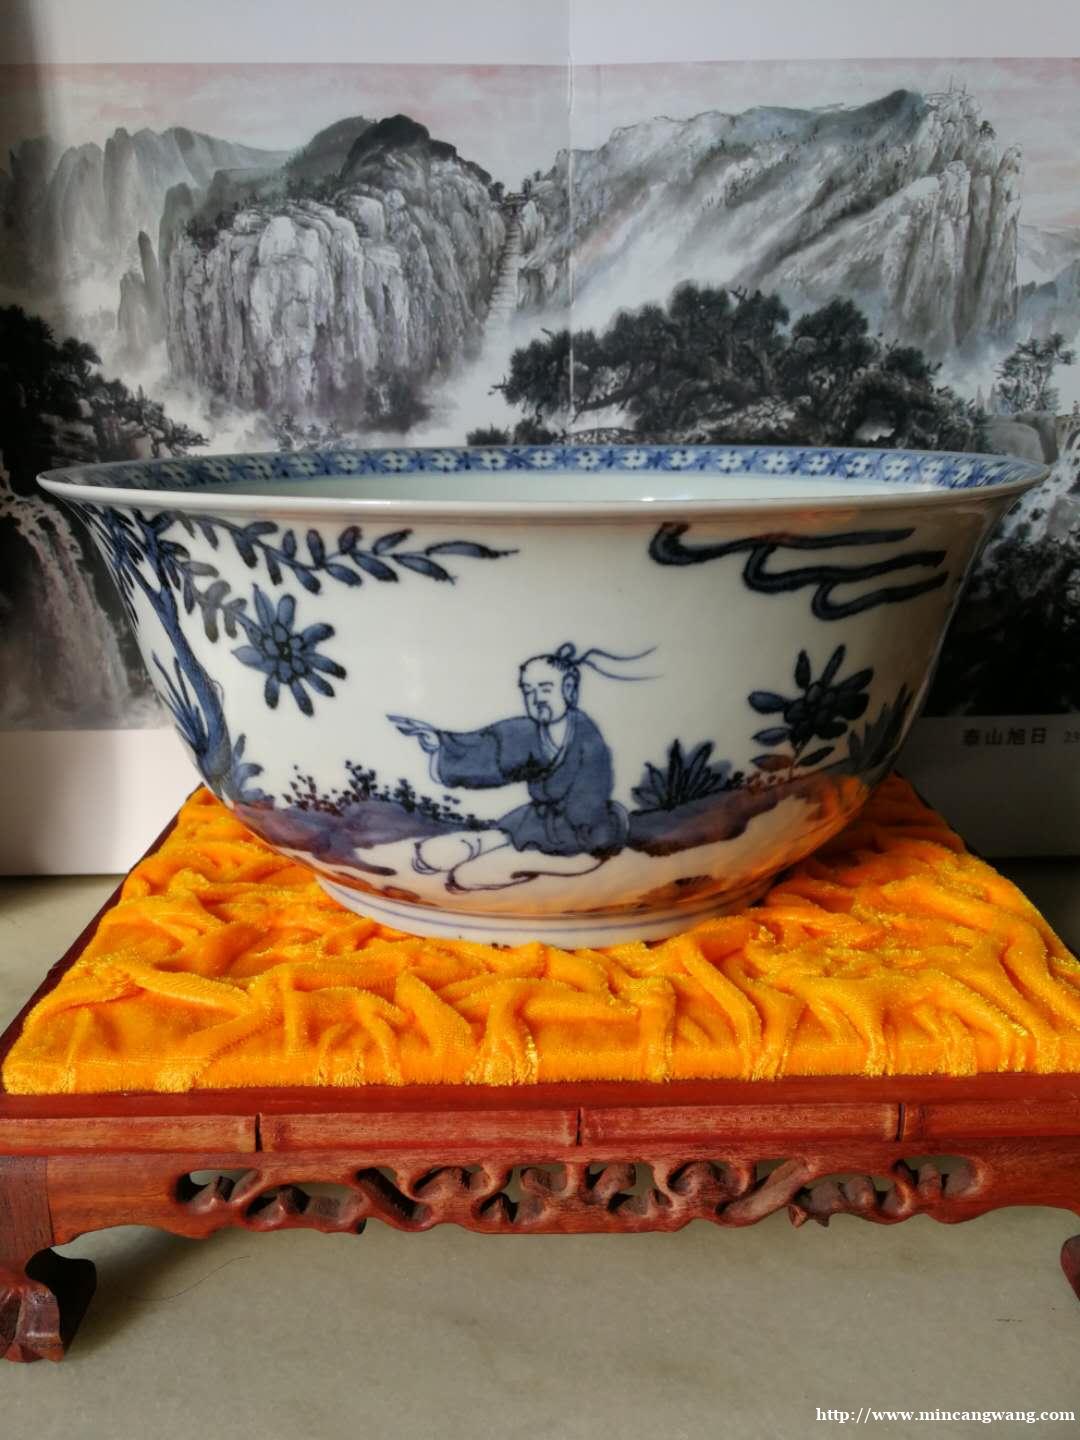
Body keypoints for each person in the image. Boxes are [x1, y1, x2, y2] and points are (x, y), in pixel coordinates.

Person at [389, 642, 655, 891]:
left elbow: (588, 803)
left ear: (569, 689)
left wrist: (558, 838)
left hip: (582, 832)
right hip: (535, 820)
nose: (537, 698)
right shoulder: (527, 732)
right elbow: (489, 750)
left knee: (468, 876)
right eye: (529, 691)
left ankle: (522, 860)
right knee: (434, 853)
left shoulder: (586, 739)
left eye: (546, 688)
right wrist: (439, 743)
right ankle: (486, 846)